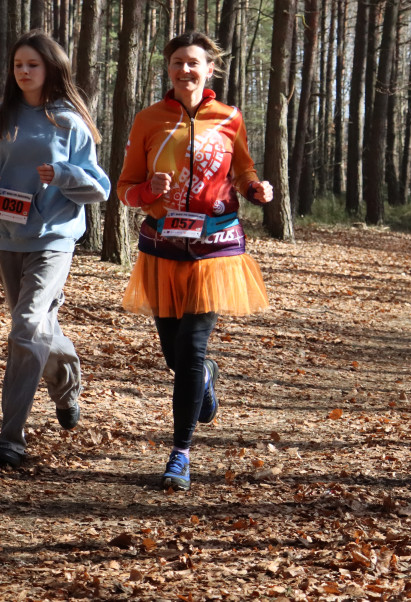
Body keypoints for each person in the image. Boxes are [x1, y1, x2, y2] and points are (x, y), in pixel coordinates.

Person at [116, 32, 273, 491]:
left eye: (194, 63)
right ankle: (204, 377)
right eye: (177, 62)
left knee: (191, 347)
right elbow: (125, 187)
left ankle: (179, 453)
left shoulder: (228, 117)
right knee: (175, 354)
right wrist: (149, 193)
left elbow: (243, 169)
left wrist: (255, 189)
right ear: (168, 69)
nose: (185, 70)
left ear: (210, 70)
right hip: (163, 246)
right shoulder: (149, 119)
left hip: (215, 245)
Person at [0, 31, 111, 469]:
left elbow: (99, 187)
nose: (24, 71)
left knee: (26, 325)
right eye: (18, 65)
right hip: (7, 238)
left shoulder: (69, 122)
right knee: (36, 327)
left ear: (50, 68)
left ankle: (11, 437)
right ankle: (66, 379)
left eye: (33, 64)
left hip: (53, 240)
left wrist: (64, 173)